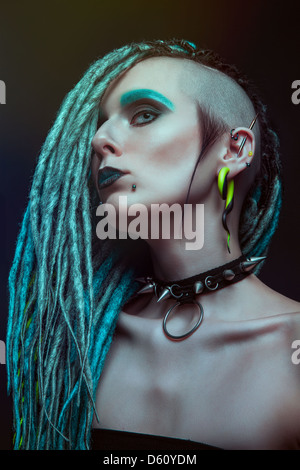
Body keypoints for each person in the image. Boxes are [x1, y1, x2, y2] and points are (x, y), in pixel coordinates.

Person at [6, 38, 300, 451]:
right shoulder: (74, 344)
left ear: (234, 150)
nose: (99, 140)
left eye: (144, 114)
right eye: (98, 124)